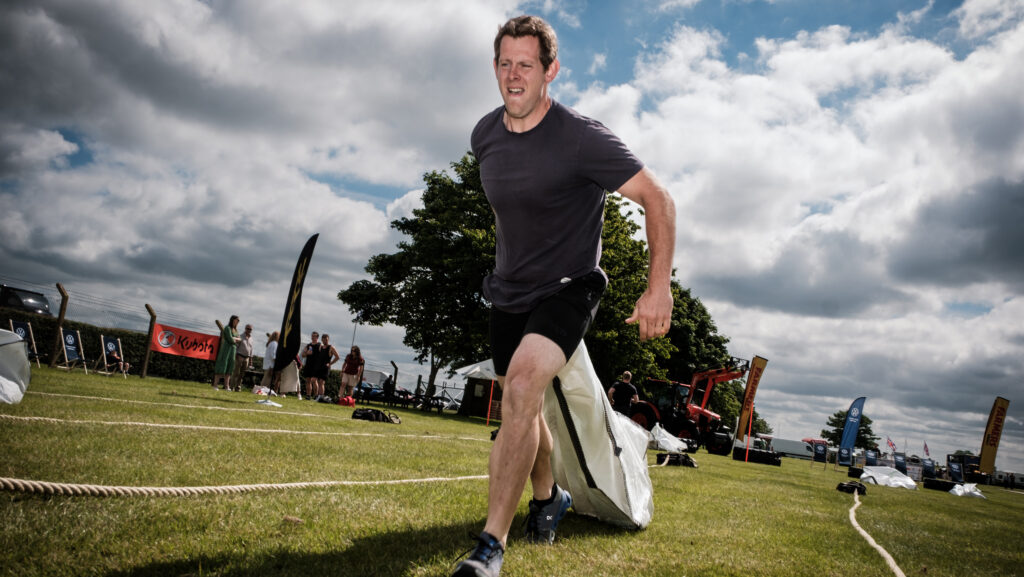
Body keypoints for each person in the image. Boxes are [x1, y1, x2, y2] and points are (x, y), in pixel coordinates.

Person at [453, 15, 675, 577]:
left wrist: (658, 287)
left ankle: (489, 548)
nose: (513, 75)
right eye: (504, 63)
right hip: (509, 292)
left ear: (551, 70)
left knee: (523, 388)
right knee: (524, 405)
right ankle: (550, 498)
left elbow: (658, 197)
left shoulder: (581, 137)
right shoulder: (484, 135)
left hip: (571, 287)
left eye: (526, 64)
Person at [212, 315, 241, 390]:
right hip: (226, 349)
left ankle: (226, 386)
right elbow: (230, 339)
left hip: (233, 350)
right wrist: (235, 339)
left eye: (239, 320)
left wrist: (235, 338)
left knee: (230, 367)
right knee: (222, 365)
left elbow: (240, 339)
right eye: (237, 320)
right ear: (233, 320)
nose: (238, 322)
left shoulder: (236, 330)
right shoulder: (227, 328)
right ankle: (215, 385)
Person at [231, 324, 255, 391]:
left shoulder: (251, 339)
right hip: (239, 356)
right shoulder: (240, 336)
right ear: (245, 329)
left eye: (250, 329)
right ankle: (231, 386)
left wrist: (250, 360)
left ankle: (238, 387)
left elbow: (251, 350)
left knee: (242, 374)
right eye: (248, 328)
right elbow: (236, 346)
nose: (249, 330)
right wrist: (236, 355)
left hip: (247, 358)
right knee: (236, 372)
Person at [300, 331, 322, 400]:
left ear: (317, 337)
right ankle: (308, 395)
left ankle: (316, 396)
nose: (313, 337)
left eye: (314, 336)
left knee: (314, 381)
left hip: (315, 366)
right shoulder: (308, 345)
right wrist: (307, 353)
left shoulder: (319, 345)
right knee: (308, 381)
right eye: (312, 336)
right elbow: (303, 355)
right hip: (308, 365)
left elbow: (322, 355)